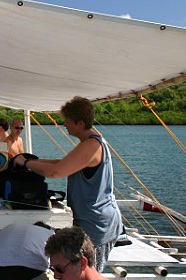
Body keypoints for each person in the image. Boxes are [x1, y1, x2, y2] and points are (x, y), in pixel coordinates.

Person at [13, 97, 122, 271]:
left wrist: (25, 164)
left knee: (87, 278)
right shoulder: (91, 142)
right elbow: (61, 163)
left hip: (97, 224)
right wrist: (33, 160)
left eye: (68, 121)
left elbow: (55, 172)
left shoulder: (91, 146)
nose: (65, 125)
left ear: (80, 123)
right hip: (92, 221)